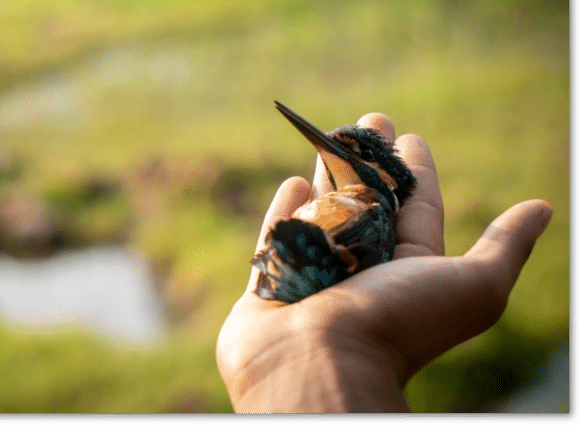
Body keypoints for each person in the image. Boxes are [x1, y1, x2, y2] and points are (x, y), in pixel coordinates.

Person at [216, 112, 553, 413]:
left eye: (358, 155)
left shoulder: (375, 208)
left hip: (303, 263)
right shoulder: (365, 209)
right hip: (303, 260)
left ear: (382, 176)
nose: (338, 154)